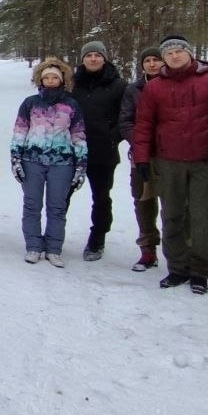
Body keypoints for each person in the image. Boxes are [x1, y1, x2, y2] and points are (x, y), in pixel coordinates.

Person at [131, 34, 208, 295]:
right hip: (169, 161)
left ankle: (200, 270)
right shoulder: (155, 87)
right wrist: (142, 158)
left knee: (205, 217)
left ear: (190, 53)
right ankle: (177, 267)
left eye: (179, 51)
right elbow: (144, 125)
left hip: (206, 161)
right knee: (172, 215)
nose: (174, 56)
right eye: (168, 53)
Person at [11, 57, 87, 268]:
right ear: (40, 80)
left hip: (62, 163)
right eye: (47, 77)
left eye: (55, 77)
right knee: (32, 205)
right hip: (32, 160)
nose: (51, 80)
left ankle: (54, 248)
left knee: (57, 207)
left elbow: (78, 134)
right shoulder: (30, 103)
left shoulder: (71, 104)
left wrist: (81, 163)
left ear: (62, 79)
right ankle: (34, 246)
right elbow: (20, 131)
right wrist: (16, 158)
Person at [69, 40, 126, 261]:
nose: (93, 59)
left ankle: (97, 238)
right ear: (82, 59)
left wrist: (113, 137)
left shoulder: (119, 85)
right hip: (73, 151)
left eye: (98, 55)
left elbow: (126, 117)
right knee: (62, 195)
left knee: (101, 197)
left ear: (105, 58)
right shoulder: (72, 84)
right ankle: (54, 237)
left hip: (104, 151)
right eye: (89, 55)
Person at [118, 45, 163, 271]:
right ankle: (148, 250)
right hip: (142, 155)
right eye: (148, 61)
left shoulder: (174, 86)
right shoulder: (134, 89)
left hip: (173, 155)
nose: (152, 64)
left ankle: (181, 253)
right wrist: (141, 142)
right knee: (144, 202)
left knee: (176, 206)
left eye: (156, 60)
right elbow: (125, 121)